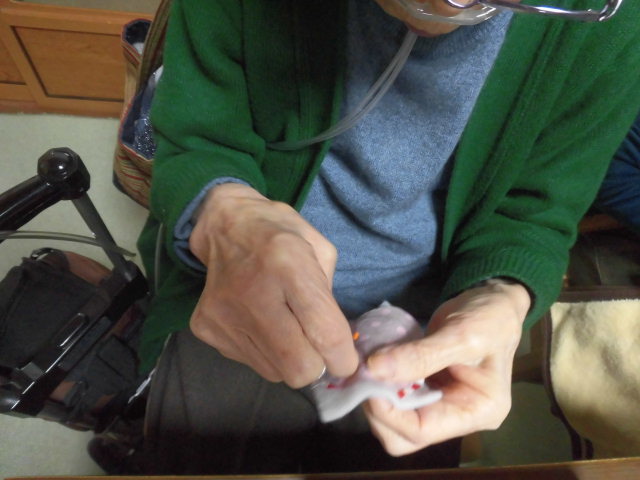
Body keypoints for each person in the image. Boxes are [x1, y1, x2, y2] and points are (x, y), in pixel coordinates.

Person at [131, 0, 640, 474]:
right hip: (230, 291)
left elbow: (535, 208)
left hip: (431, 312)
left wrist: (501, 295)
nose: (445, 7)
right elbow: (197, 137)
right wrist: (226, 215)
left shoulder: (613, 20)